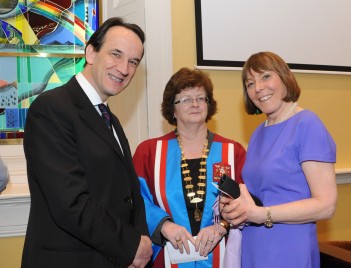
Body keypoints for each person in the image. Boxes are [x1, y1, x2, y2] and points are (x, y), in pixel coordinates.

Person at [22, 17, 153, 268]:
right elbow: (70, 203)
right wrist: (131, 245)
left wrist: (140, 242)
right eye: (116, 54)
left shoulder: (109, 118)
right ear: (91, 53)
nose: (124, 68)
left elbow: (127, 195)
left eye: (133, 61)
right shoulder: (51, 108)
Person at [220, 52, 337, 267]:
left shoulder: (307, 124)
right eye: (250, 83)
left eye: (265, 77)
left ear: (284, 77)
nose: (258, 88)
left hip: (288, 249)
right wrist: (235, 205)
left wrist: (260, 214)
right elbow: (262, 194)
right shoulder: (257, 134)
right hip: (254, 247)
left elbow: (326, 205)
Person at [132, 67, 246, 267]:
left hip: (223, 257)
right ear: (172, 109)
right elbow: (135, 200)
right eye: (185, 99)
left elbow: (248, 202)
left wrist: (222, 226)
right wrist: (163, 225)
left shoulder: (233, 152)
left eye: (201, 98)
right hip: (166, 258)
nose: (195, 104)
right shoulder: (149, 153)